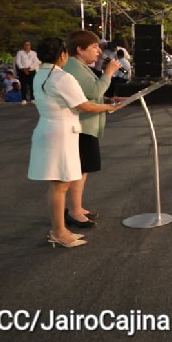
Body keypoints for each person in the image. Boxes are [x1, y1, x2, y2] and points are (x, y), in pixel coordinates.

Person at [27, 37, 115, 248]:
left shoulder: (41, 74)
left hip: (49, 129)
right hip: (61, 133)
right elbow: (84, 105)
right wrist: (109, 107)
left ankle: (60, 229)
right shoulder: (61, 77)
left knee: (59, 185)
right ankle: (59, 232)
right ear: (62, 55)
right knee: (60, 185)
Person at [62, 30, 122, 229]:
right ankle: (74, 211)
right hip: (81, 127)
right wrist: (109, 72)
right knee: (80, 170)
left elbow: (91, 93)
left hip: (84, 126)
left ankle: (76, 207)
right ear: (80, 50)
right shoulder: (75, 67)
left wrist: (107, 100)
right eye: (94, 47)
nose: (98, 51)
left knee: (83, 169)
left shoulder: (80, 66)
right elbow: (94, 90)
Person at [15, 40, 40, 104]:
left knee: (32, 85)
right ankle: (24, 99)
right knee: (23, 85)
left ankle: (32, 98)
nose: (27, 46)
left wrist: (29, 68)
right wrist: (23, 69)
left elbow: (35, 62)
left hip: (31, 70)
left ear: (30, 46)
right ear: (23, 45)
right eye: (25, 45)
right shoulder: (20, 53)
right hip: (22, 71)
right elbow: (18, 62)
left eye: (28, 45)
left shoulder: (34, 53)